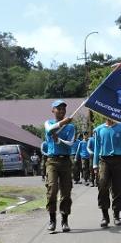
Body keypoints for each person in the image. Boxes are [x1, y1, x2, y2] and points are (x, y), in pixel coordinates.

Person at [92, 116, 121, 227]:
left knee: (118, 188)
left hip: (118, 160)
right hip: (104, 160)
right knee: (102, 184)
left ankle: (116, 215)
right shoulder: (99, 130)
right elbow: (96, 147)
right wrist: (95, 164)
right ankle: (105, 216)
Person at [44, 100, 76, 233]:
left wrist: (59, 140)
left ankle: (64, 220)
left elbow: (70, 143)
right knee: (52, 190)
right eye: (59, 108)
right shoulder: (48, 123)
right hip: (52, 161)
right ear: (53, 110)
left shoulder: (71, 127)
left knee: (66, 192)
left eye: (63, 109)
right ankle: (52, 220)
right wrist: (63, 122)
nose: (62, 111)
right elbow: (50, 130)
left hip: (65, 161)